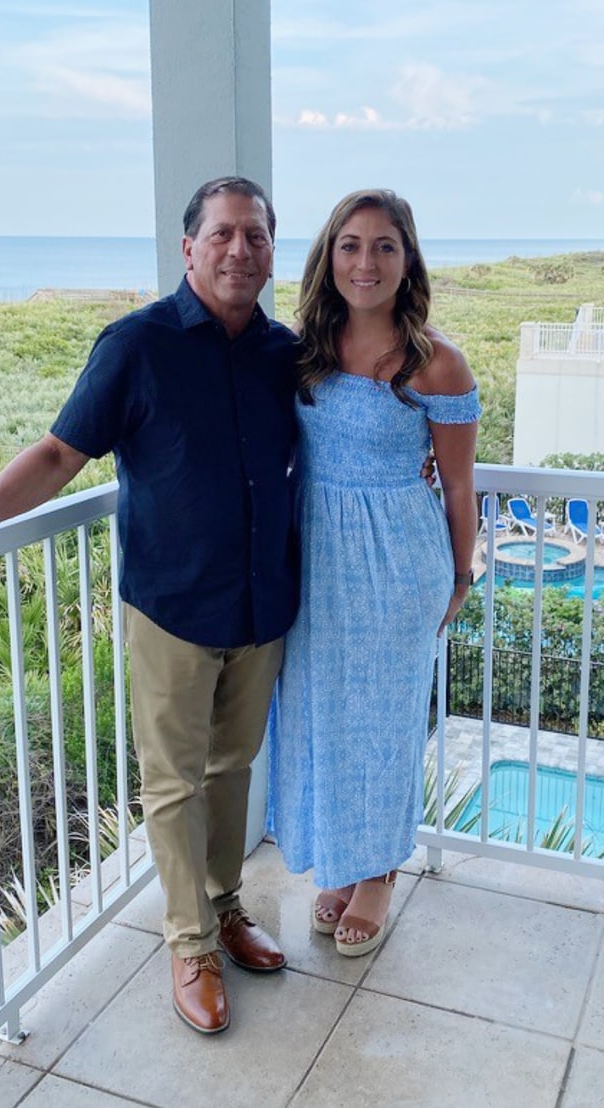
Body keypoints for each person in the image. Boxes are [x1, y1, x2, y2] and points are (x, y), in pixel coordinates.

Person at [0, 177, 300, 1036]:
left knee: (233, 769)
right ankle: (189, 945)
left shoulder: (283, 351)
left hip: (262, 602)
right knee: (174, 784)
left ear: (271, 247)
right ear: (189, 247)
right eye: (222, 234)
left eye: (255, 235)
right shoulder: (136, 346)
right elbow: (62, 450)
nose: (239, 249)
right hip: (172, 605)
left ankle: (222, 905)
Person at [267, 188, 480, 958]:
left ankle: (379, 873)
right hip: (316, 559)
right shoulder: (304, 351)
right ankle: (344, 855)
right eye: (351, 245)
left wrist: (459, 578)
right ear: (330, 256)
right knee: (324, 713)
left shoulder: (436, 363)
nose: (367, 261)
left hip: (398, 562)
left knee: (385, 723)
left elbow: (458, 486)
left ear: (408, 259)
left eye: (385, 246)